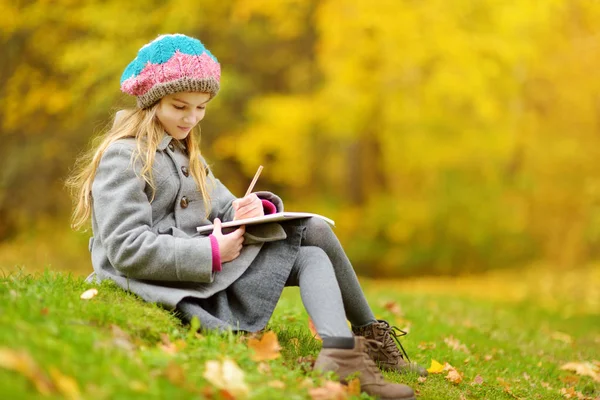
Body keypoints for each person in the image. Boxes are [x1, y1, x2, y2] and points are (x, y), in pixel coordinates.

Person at [68, 34, 426, 400]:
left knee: (313, 245)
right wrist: (210, 253)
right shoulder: (124, 158)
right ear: (151, 101)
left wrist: (249, 209)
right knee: (313, 233)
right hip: (169, 281)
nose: (192, 118)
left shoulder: (185, 152)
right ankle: (366, 339)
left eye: (202, 107)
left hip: (203, 270)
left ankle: (343, 352)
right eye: (180, 106)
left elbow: (223, 206)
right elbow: (125, 248)